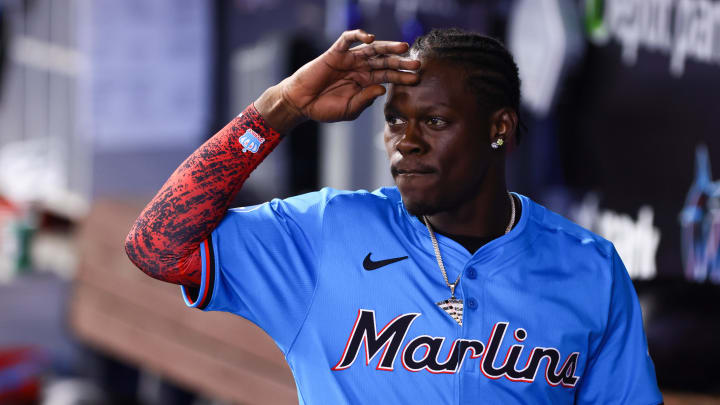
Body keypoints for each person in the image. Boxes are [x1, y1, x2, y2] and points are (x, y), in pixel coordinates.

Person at [125, 28, 663, 404]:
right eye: (394, 121)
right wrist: (280, 106)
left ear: (498, 127)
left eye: (433, 121)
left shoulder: (588, 268)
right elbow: (155, 245)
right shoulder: (327, 232)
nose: (406, 143)